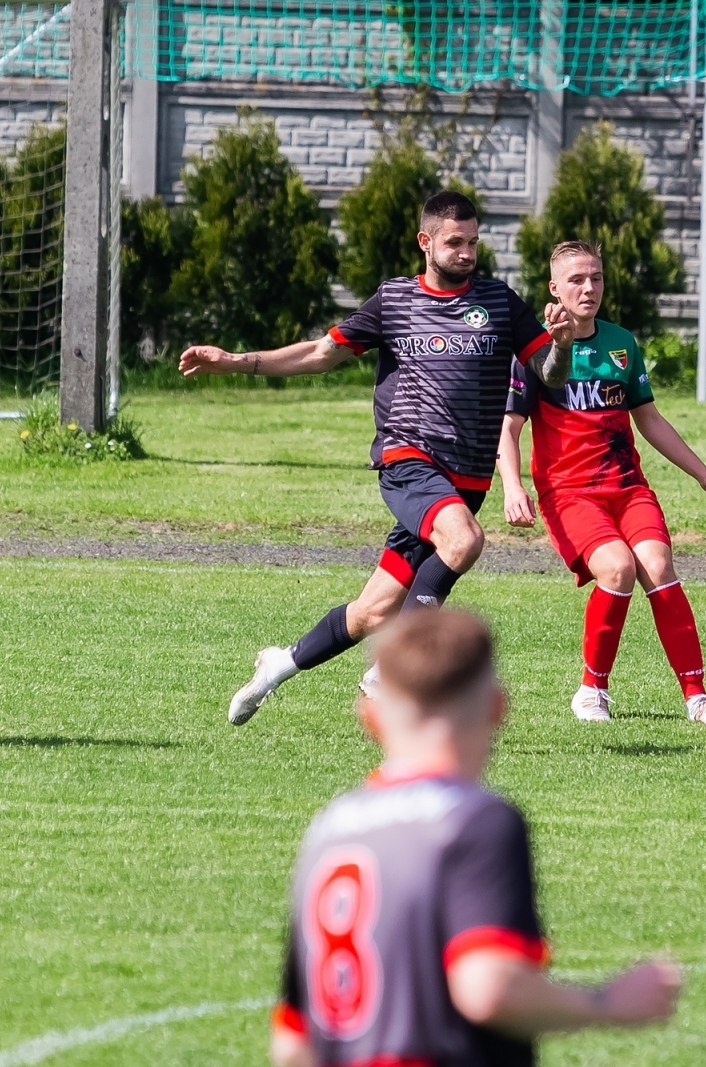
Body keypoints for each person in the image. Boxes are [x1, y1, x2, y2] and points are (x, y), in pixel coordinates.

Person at [179, 191, 574, 725]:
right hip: (409, 460)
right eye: (455, 242)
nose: (466, 252)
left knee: (373, 611)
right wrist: (235, 361)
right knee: (463, 540)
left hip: (467, 479)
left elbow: (550, 377)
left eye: (473, 242)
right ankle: (388, 674)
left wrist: (562, 344)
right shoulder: (394, 300)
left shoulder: (500, 302)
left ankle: (279, 664)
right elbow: (320, 354)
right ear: (425, 242)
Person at [271, 610, 682, 1067]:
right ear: (497, 708)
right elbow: (488, 988)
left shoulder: (329, 831)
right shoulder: (474, 821)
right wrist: (609, 1002)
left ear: (371, 718)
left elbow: (293, 1044)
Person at [496, 241, 706, 725]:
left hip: (628, 487)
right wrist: (512, 485)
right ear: (554, 288)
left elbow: (648, 418)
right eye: (576, 280)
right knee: (617, 569)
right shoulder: (534, 349)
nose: (588, 288)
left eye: (596, 278)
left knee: (657, 564)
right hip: (568, 493)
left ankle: (697, 696)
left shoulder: (621, 343)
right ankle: (591, 690)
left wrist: (705, 475)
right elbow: (509, 427)